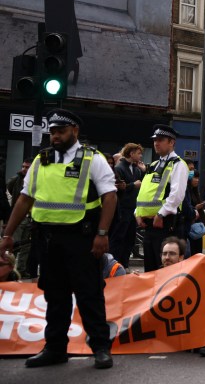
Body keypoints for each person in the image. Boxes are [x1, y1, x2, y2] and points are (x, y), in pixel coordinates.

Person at [0, 109, 116, 369]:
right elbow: (25, 198)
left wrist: (102, 234)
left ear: (74, 131)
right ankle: (55, 348)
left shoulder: (92, 158)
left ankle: (100, 347)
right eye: (52, 132)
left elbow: (110, 196)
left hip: (82, 239)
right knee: (55, 295)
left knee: (90, 294)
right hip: (49, 239)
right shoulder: (42, 160)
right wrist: (7, 234)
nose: (55, 136)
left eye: (60, 131)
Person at [135, 124, 188, 273]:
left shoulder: (178, 165)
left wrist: (161, 214)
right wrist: (137, 213)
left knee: (165, 270)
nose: (156, 143)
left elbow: (177, 195)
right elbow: (144, 192)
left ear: (171, 142)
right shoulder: (153, 165)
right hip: (148, 224)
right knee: (150, 269)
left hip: (164, 223)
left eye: (160, 140)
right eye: (155, 140)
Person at [109, 143, 143, 267]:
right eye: (138, 153)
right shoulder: (119, 168)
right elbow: (118, 188)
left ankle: (124, 264)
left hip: (133, 209)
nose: (140, 156)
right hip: (122, 208)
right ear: (131, 153)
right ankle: (114, 265)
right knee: (119, 237)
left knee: (130, 239)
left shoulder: (137, 170)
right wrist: (133, 185)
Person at [6, 159, 35, 278]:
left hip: (31, 216)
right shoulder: (15, 180)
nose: (24, 169)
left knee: (26, 246)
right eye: (23, 166)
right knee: (15, 244)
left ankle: (21, 269)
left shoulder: (35, 179)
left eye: (27, 167)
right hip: (20, 217)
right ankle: (9, 270)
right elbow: (9, 195)